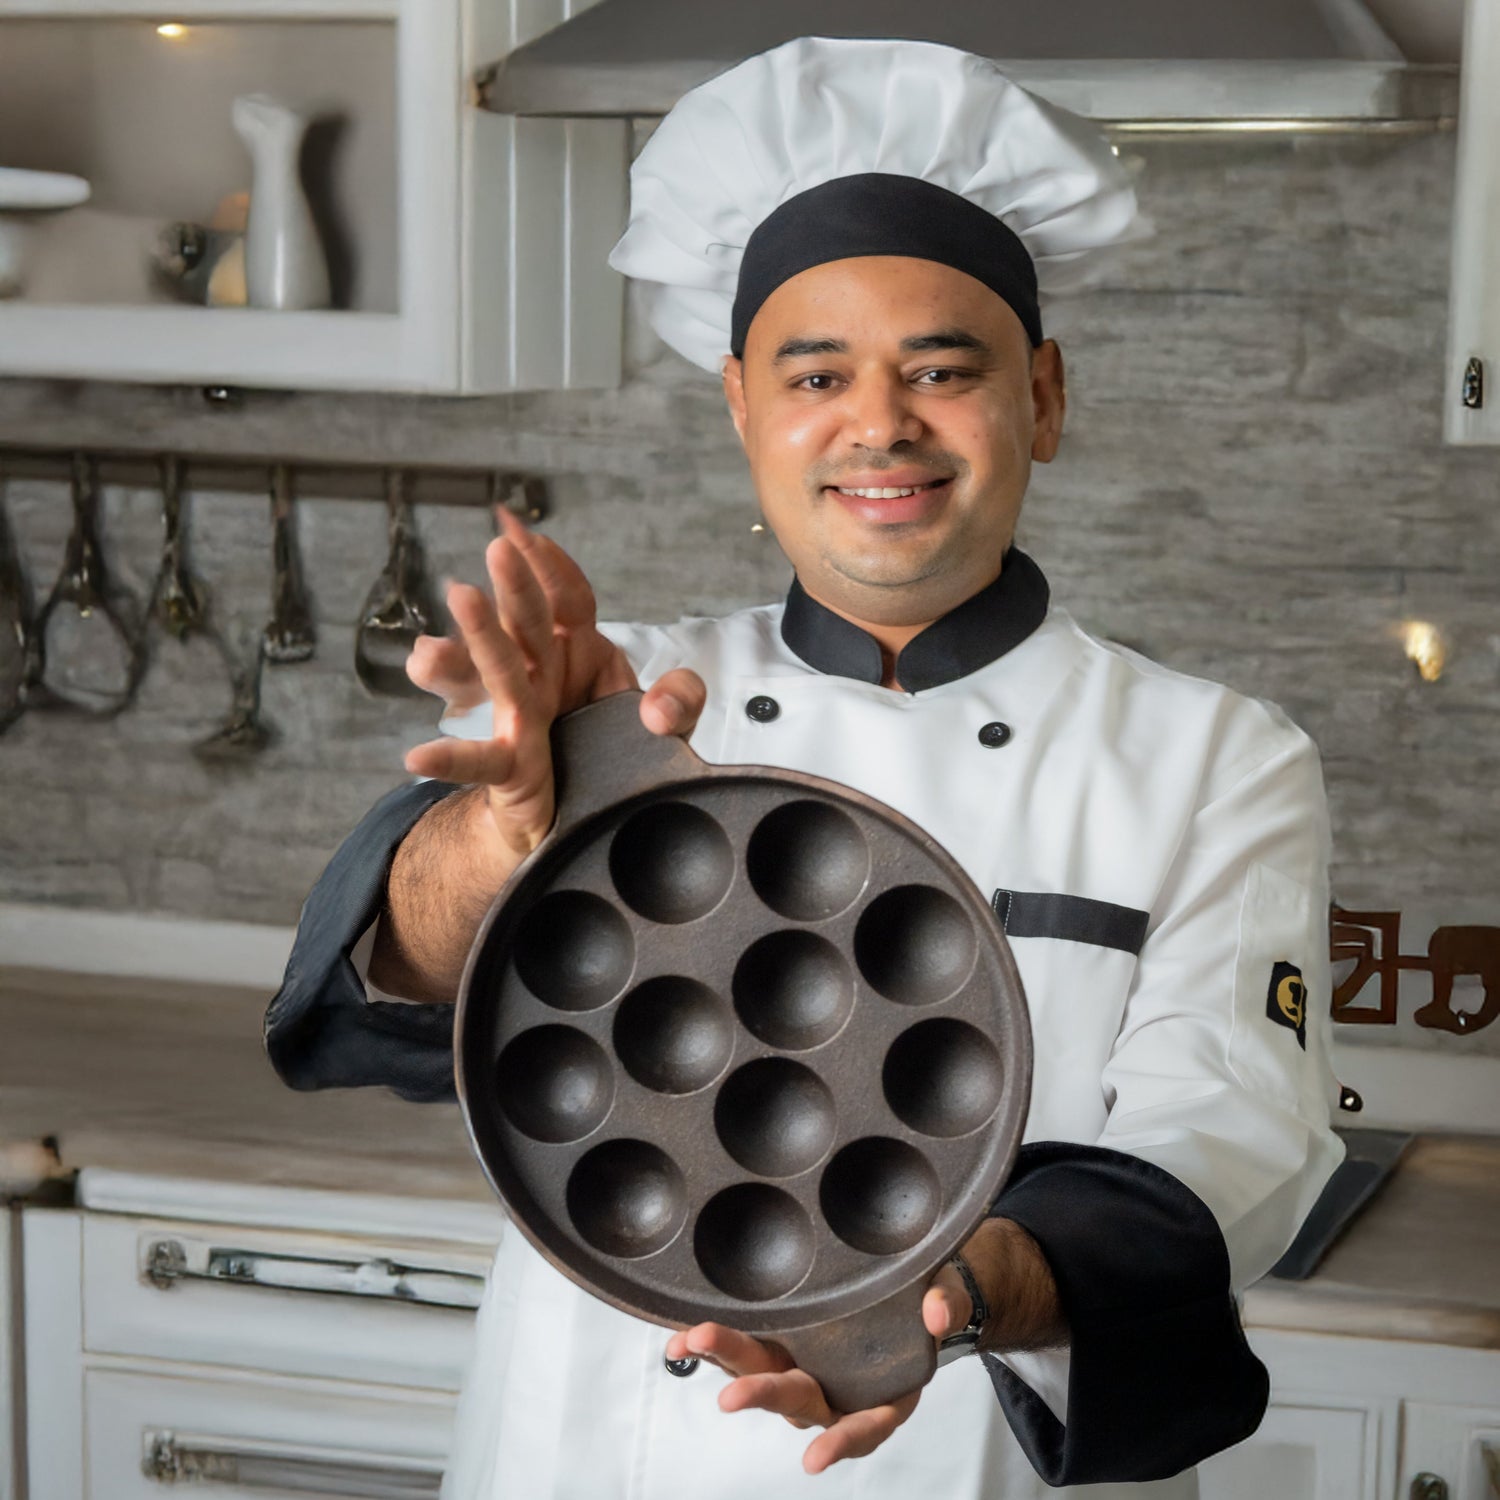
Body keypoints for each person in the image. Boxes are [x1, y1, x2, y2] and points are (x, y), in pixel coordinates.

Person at [264, 36, 1345, 1500]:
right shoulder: (626, 691)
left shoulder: (1215, 759)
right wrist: (511, 831)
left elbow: (1228, 1140)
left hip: (964, 1456)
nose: (880, 423)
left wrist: (960, 1289)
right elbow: (389, 967)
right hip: (591, 1456)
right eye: (817, 371)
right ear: (740, 406)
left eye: (942, 370)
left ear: (1044, 395)